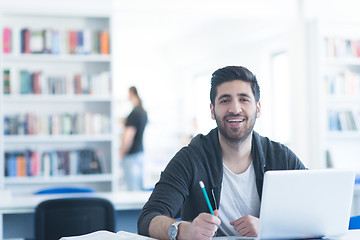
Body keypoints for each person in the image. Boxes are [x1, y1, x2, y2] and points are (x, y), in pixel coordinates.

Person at [137, 66, 306, 239]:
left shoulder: (281, 157)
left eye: (244, 99)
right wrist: (182, 230)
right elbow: (147, 219)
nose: (235, 109)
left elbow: (316, 214)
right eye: (225, 100)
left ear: (258, 108)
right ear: (212, 110)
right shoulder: (190, 158)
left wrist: (268, 228)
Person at [120, 86, 148, 191]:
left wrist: (122, 152)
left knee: (132, 190)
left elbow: (129, 136)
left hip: (131, 156)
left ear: (131, 93)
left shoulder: (134, 113)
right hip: (140, 153)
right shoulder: (143, 112)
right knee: (139, 189)